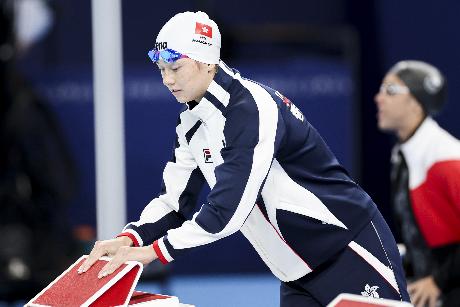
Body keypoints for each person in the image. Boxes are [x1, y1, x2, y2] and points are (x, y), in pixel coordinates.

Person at [78, 11, 410, 306]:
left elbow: (229, 209)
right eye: (162, 69)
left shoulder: (253, 108)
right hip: (295, 274)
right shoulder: (192, 123)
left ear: (206, 61)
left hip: (348, 251)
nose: (167, 79)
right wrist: (129, 238)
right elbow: (174, 203)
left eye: (176, 67)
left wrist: (153, 252)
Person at [374, 60, 460, 307]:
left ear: (416, 103)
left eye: (390, 90)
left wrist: (438, 281)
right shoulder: (404, 156)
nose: (378, 98)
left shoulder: (446, 159)